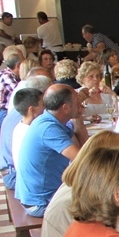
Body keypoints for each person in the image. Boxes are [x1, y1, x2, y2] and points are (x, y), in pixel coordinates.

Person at [15, 84, 88, 216]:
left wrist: (78, 118)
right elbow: (83, 160)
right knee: (102, 206)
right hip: (40, 203)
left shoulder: (49, 121)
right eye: (76, 101)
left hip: (44, 195)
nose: (80, 104)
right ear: (65, 107)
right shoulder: (48, 129)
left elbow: (82, 147)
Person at [9, 87, 45, 177]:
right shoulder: (32, 132)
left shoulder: (19, 127)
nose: (46, 107)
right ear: (32, 110)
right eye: (43, 104)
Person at [0, 45, 24, 128]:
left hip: (2, 111)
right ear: (18, 66)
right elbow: (20, 94)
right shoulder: (7, 76)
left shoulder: (7, 72)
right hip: (2, 114)